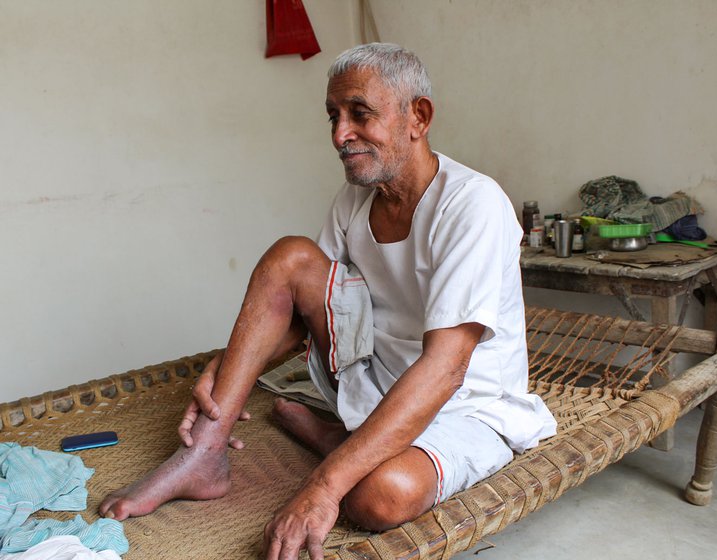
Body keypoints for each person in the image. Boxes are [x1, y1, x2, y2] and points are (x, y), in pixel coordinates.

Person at [98, 43, 556, 560]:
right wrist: (228, 370)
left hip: (465, 403)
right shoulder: (354, 200)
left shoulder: (473, 204)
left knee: (380, 496)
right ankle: (203, 455)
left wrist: (323, 486)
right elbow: (311, 312)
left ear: (418, 117)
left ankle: (332, 442)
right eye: (334, 117)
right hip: (377, 376)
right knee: (292, 257)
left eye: (360, 114)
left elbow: (446, 369)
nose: (341, 135)